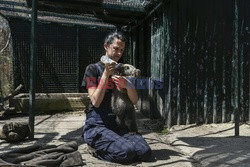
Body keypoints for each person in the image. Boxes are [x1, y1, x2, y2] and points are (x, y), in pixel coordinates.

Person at [81, 31, 151, 163]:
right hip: (98, 125)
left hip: (119, 126)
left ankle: (117, 144)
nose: (119, 53)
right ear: (106, 46)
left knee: (145, 153)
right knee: (127, 152)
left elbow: (134, 100)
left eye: (122, 50)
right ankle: (94, 149)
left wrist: (128, 85)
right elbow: (95, 102)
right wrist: (105, 74)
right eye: (116, 49)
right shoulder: (92, 69)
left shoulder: (123, 69)